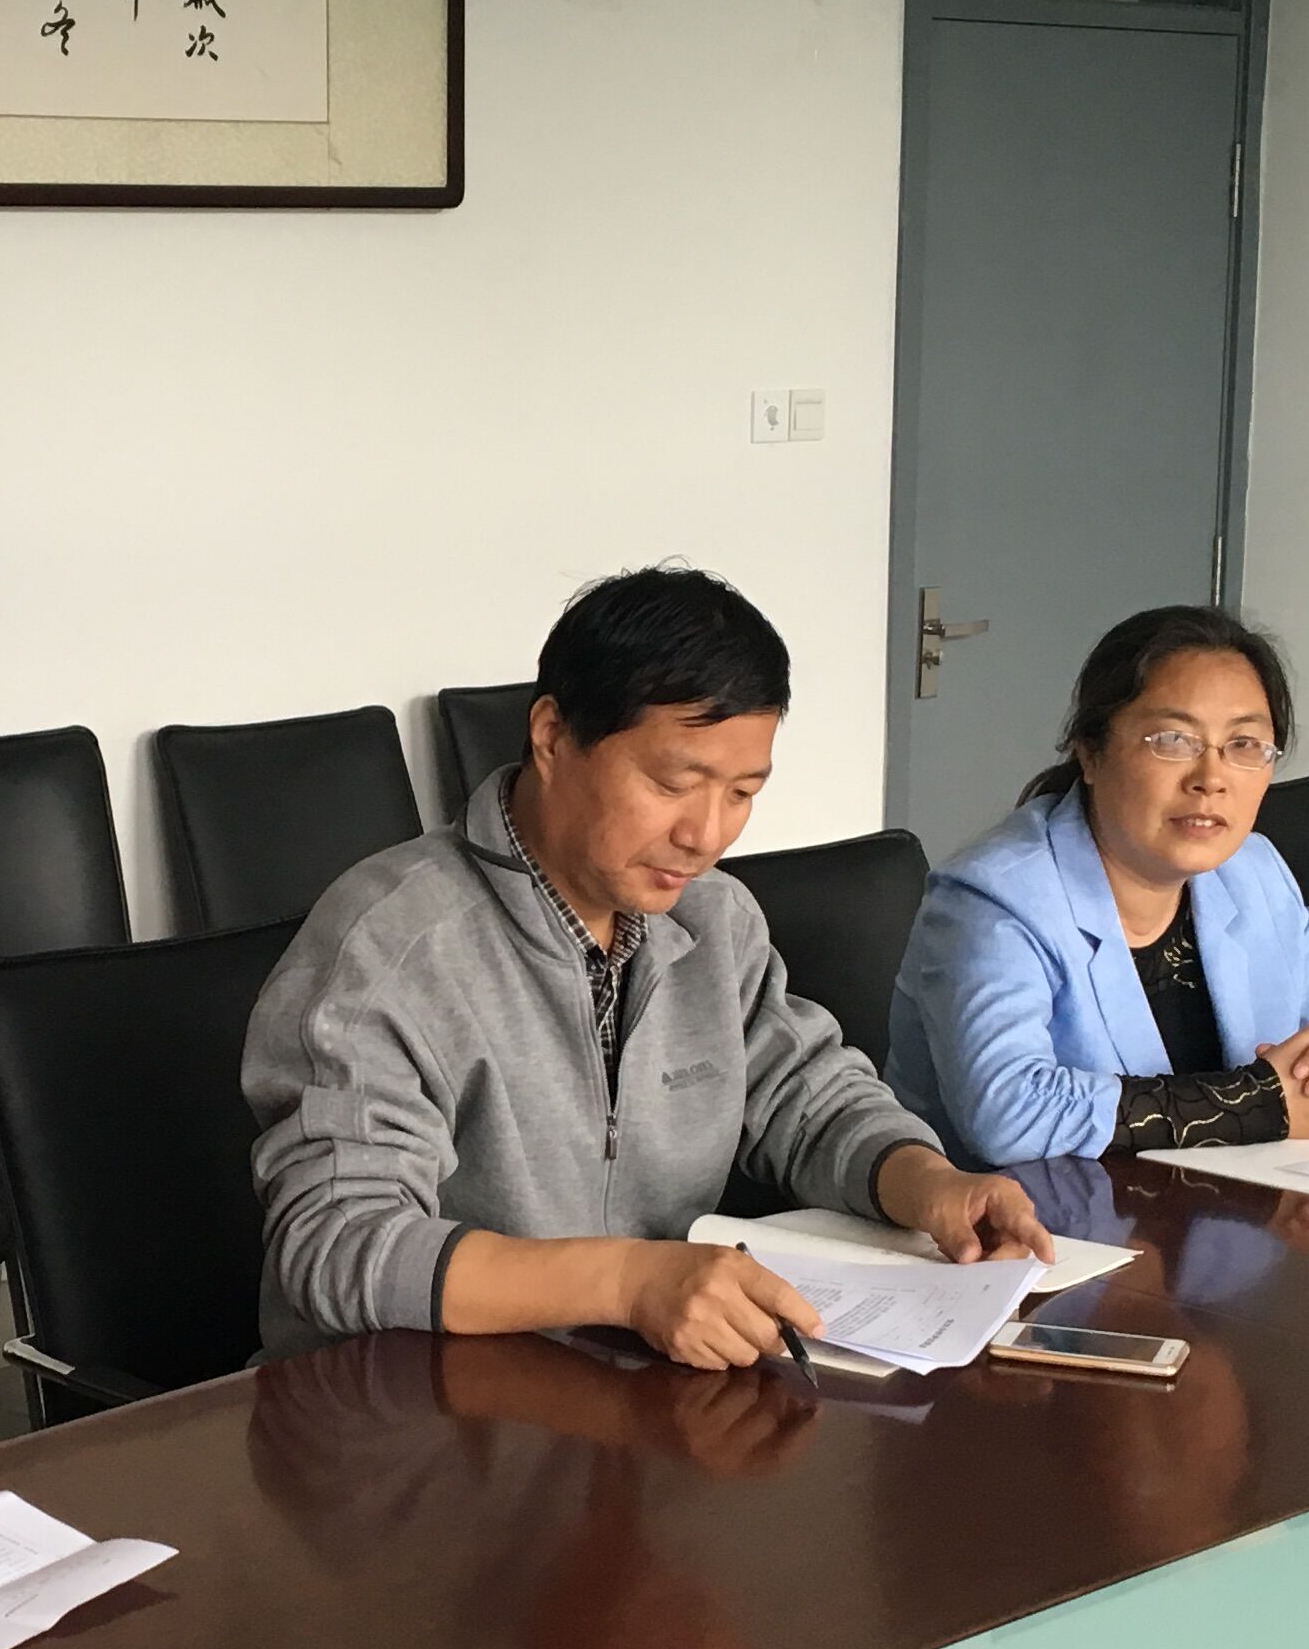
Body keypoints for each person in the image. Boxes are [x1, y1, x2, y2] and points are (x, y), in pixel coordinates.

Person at [246, 565, 1049, 1370]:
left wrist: (929, 1182)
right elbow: (339, 1244)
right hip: (405, 1406)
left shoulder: (712, 919)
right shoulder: (394, 945)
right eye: (673, 783)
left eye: (741, 793)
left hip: (627, 1392)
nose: (706, 835)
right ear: (552, 736)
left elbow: (806, 1098)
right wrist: (628, 1281)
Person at [886, 606, 1309, 1164]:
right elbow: (1008, 1112)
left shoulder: (1249, 872)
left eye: (1244, 744)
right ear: (1091, 752)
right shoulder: (994, 899)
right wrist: (1264, 1103)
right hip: (1032, 1214)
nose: (1210, 779)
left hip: (1222, 1201)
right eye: (1174, 740)